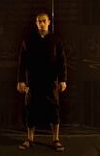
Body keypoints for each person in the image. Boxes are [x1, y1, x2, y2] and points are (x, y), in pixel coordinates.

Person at [17, 12, 67, 152]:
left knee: (54, 109)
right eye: (39, 21)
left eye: (44, 21)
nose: (42, 23)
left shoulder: (56, 40)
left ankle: (56, 139)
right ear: (36, 23)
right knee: (31, 109)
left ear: (49, 22)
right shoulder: (28, 40)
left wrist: (63, 80)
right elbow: (22, 62)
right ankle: (29, 139)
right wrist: (20, 81)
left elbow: (62, 61)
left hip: (51, 81)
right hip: (33, 81)